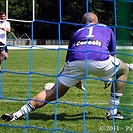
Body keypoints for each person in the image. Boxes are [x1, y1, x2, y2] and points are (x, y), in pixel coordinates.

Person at [1, 12, 131, 121]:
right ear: (97, 21)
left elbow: (69, 57)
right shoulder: (107, 28)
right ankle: (112, 112)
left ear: (83, 23)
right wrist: (106, 77)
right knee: (123, 70)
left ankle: (17, 114)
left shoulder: (77, 32)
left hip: (74, 63)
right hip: (100, 59)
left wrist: (75, 77)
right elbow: (112, 54)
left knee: (51, 93)